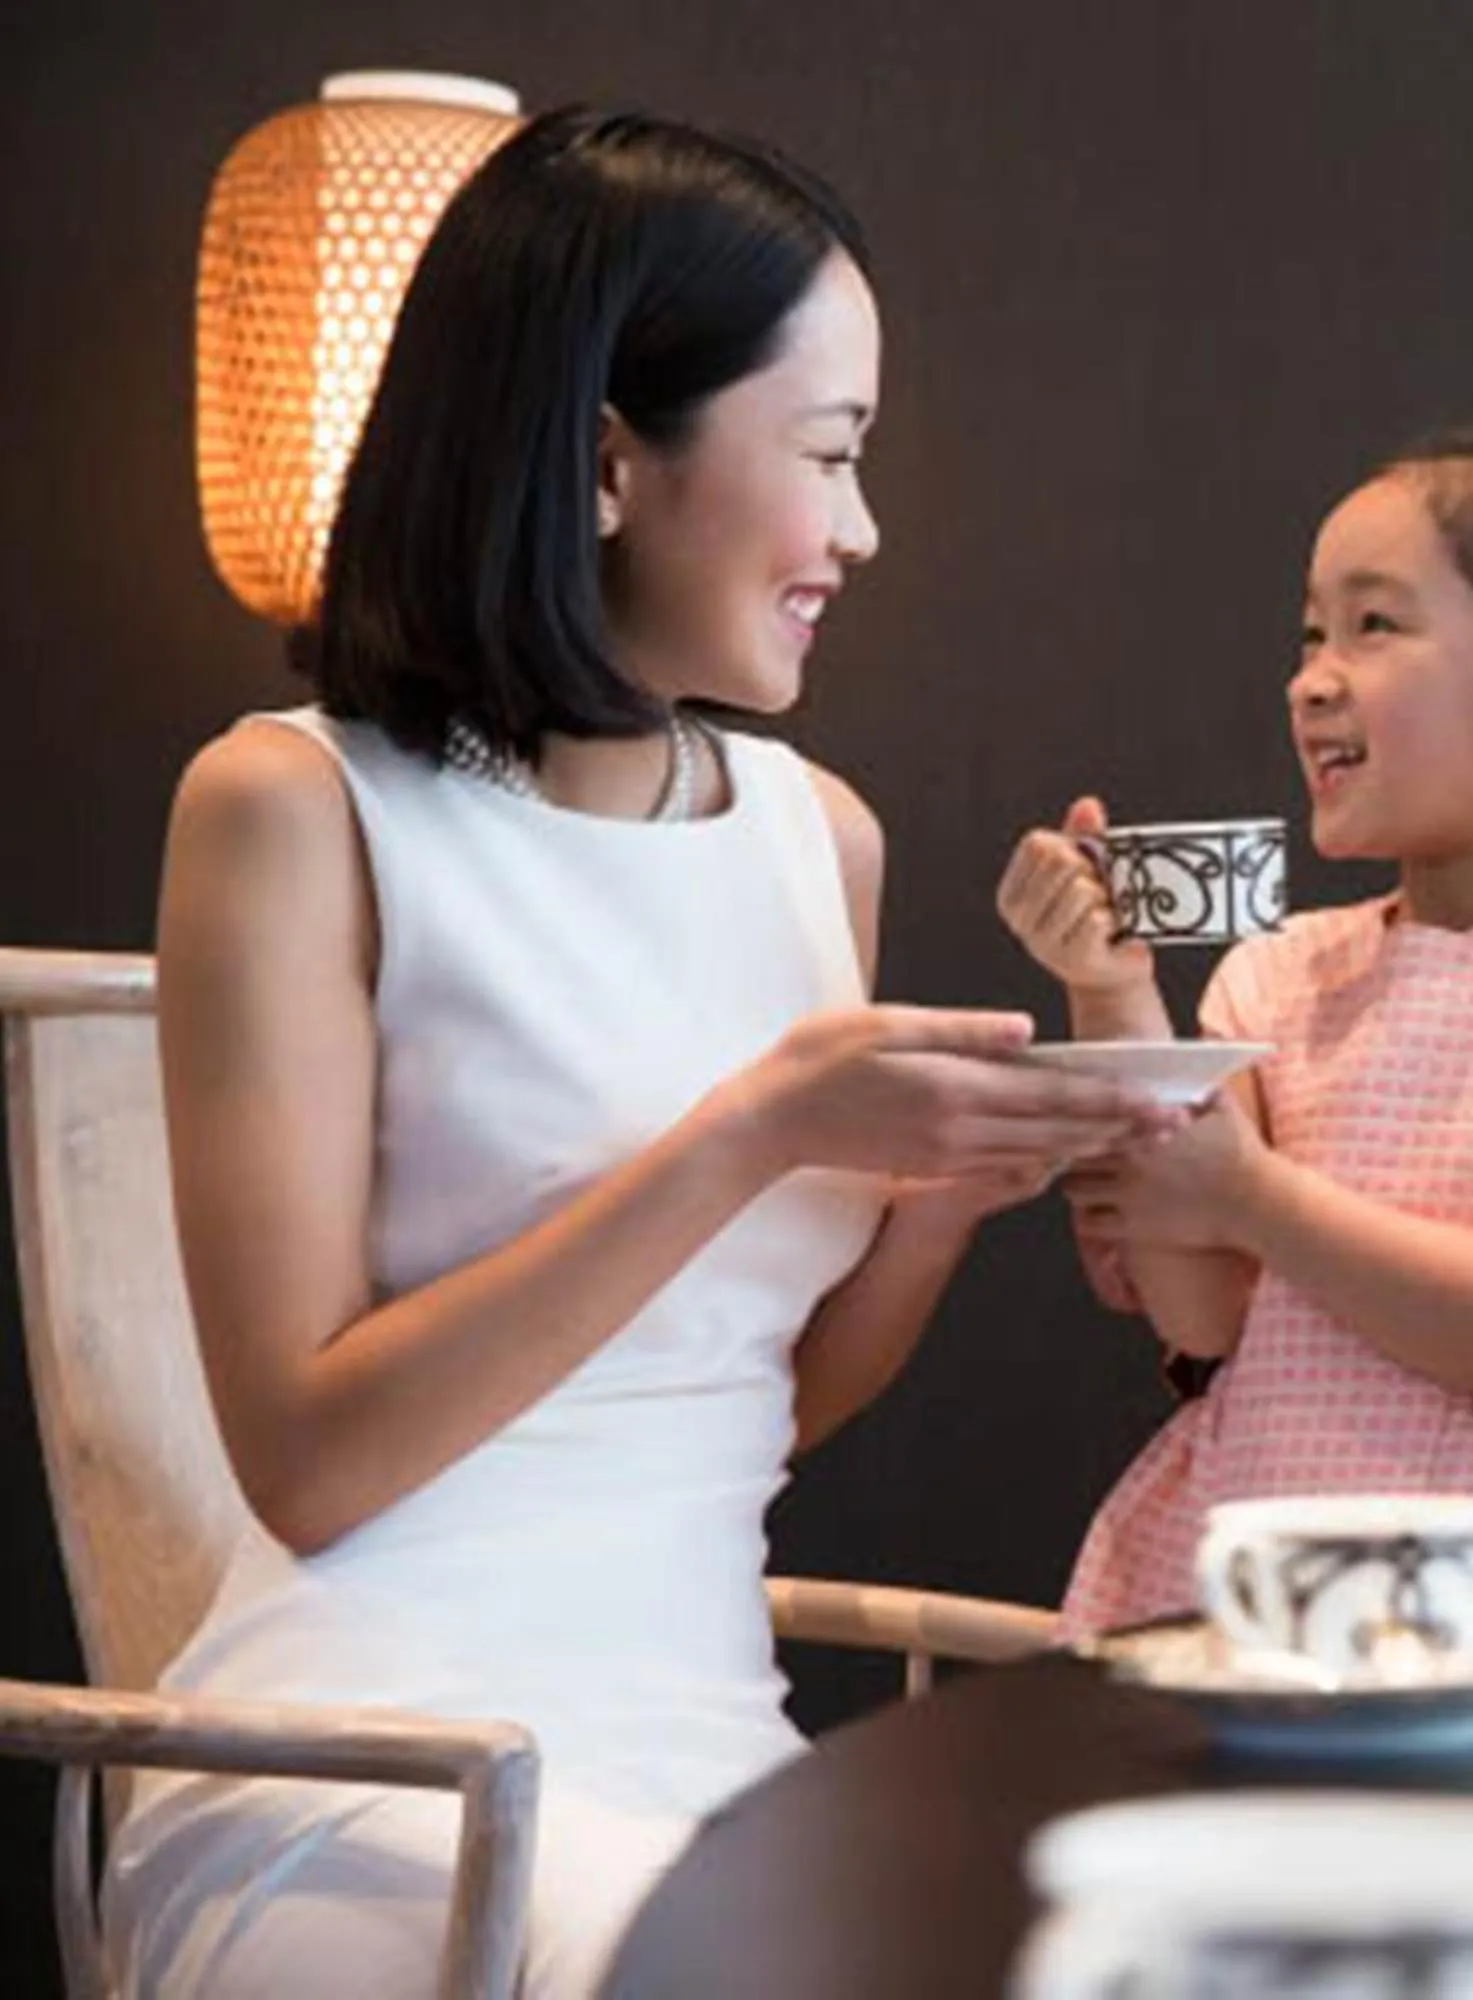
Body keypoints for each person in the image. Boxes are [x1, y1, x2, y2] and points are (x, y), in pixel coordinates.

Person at [103, 108, 1174, 1998]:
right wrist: (751, 1134)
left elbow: (753, 1406)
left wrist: (940, 1196)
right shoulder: (295, 812)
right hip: (369, 1762)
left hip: (707, 1759)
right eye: (829, 456)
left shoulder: (814, 834)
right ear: (609, 459)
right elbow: (307, 1459)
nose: (862, 529)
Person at [1000, 402, 1473, 1633]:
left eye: (1375, 625)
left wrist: (1251, 1193)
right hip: (1259, 1541)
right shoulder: (1276, 976)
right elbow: (1202, 1310)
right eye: (1310, 632)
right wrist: (1108, 982)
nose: (1312, 679)